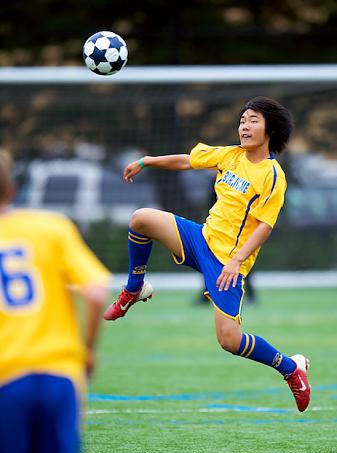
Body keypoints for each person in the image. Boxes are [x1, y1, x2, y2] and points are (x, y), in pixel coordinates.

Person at [104, 96, 311, 413]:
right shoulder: (231, 155)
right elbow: (187, 161)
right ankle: (134, 288)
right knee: (141, 219)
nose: (244, 125)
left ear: (271, 128)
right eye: (242, 119)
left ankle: (291, 368)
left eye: (253, 119)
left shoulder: (272, 175)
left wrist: (236, 261)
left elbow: (265, 226)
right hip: (201, 238)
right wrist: (147, 161)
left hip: (226, 262)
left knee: (229, 340)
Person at [0, 150, 111, 453]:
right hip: (60, 377)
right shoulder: (51, 226)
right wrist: (88, 350)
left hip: (5, 379)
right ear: (12, 188)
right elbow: (96, 293)